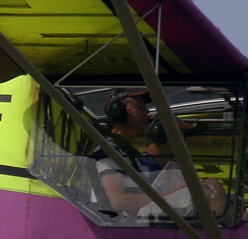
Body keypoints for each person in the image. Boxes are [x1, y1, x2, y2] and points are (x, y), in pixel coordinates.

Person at [94, 89, 228, 221]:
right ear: (119, 112)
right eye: (139, 107)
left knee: (217, 190)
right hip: (133, 218)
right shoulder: (109, 151)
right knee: (209, 188)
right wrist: (169, 193)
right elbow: (119, 202)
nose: (146, 111)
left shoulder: (129, 152)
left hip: (141, 212)